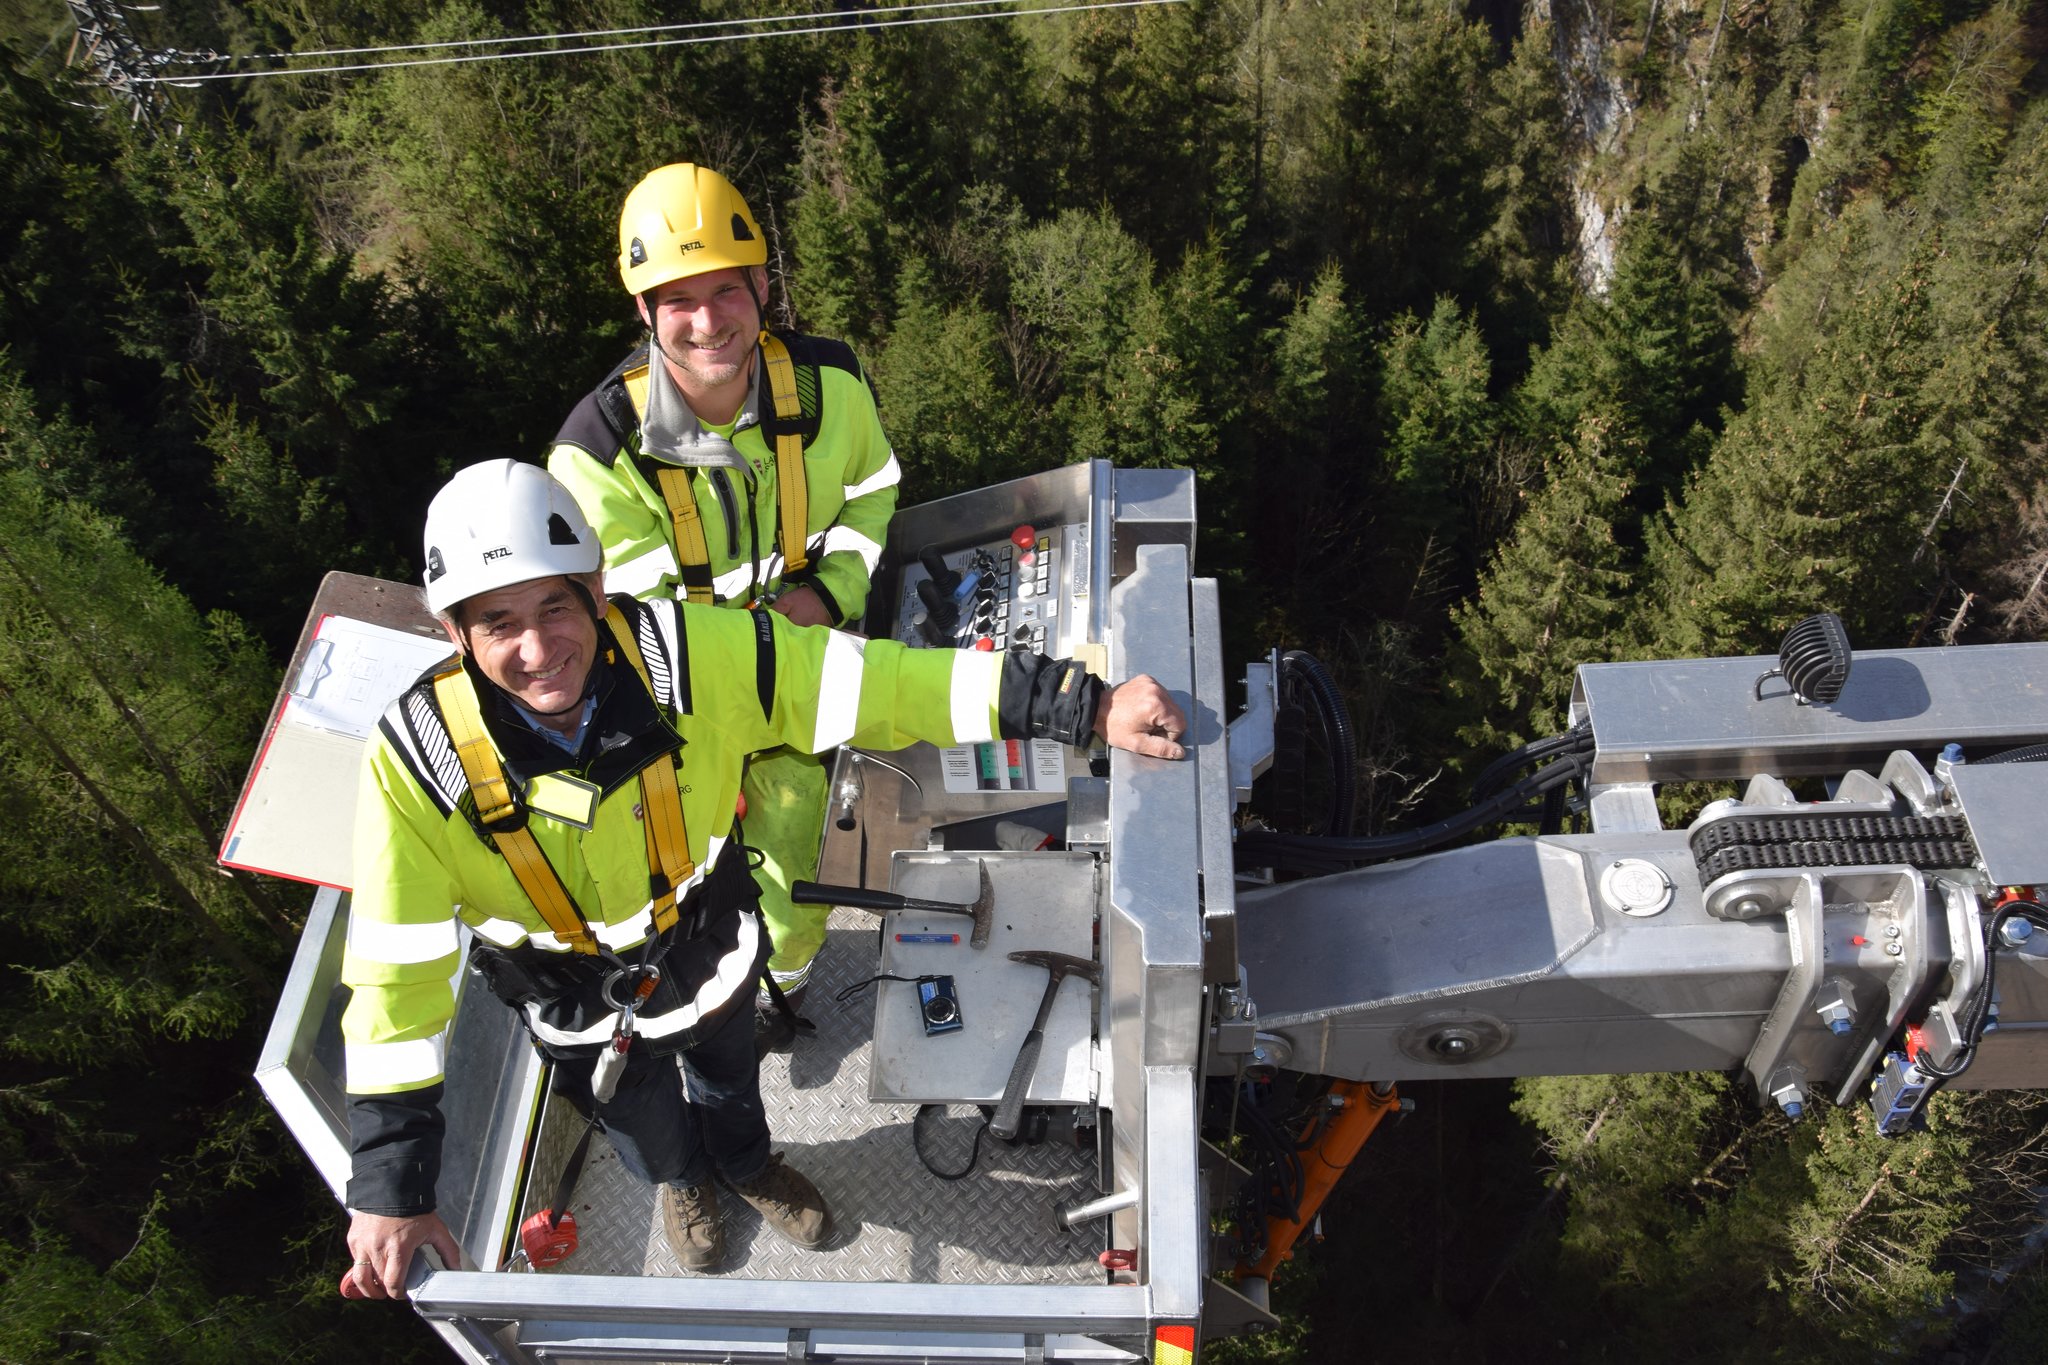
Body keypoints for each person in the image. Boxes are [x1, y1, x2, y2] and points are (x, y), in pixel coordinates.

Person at [340, 460, 1185, 1294]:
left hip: (708, 949)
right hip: (575, 1002)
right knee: (641, 1128)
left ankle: (747, 1167)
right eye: (498, 622)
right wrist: (391, 1187)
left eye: (555, 605)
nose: (537, 648)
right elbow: (395, 976)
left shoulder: (688, 658)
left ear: (597, 588)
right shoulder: (417, 765)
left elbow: (876, 684)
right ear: (455, 631)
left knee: (733, 1085)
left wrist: (1079, 704)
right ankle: (686, 1188)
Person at [549, 163, 899, 1028]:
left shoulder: (829, 389)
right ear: (644, 312)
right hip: (679, 704)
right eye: (678, 300)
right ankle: (714, 1003)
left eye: (725, 291)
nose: (707, 322)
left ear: (762, 287)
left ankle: (791, 984)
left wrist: (825, 595)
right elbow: (633, 618)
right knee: (692, 877)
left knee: (799, 837)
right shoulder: (599, 453)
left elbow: (873, 493)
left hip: (795, 671)